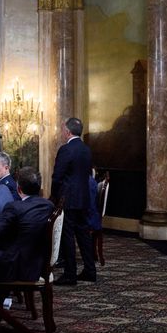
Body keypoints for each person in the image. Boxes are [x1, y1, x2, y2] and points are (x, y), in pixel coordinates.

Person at [0, 167, 55, 326]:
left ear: (19, 189)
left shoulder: (14, 207)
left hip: (19, 266)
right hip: (39, 263)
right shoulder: (49, 205)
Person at [51, 118, 96, 285]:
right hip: (84, 198)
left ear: (67, 131)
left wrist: (54, 196)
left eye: (64, 130)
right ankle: (90, 271)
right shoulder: (86, 149)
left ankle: (70, 274)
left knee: (67, 236)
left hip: (68, 199)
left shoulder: (66, 149)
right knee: (83, 234)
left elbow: (57, 176)